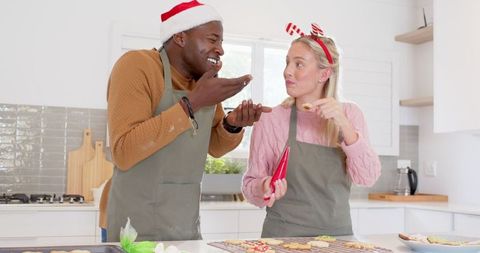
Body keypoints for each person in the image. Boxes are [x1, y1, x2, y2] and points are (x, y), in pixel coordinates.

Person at [105, 0, 271, 242]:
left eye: (221, 42)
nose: (221, 50)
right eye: (213, 40)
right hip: (132, 225)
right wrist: (191, 104)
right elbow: (124, 151)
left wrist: (232, 124)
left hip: (183, 224)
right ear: (180, 37)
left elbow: (214, 146)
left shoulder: (202, 82)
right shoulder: (137, 66)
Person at [242, 23, 381, 237]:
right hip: (281, 239)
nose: (287, 71)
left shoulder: (351, 115)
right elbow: (251, 187)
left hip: (338, 242)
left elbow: (367, 178)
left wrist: (344, 125)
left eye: (299, 64)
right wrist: (264, 186)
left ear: (324, 74)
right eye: (287, 62)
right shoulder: (271, 119)